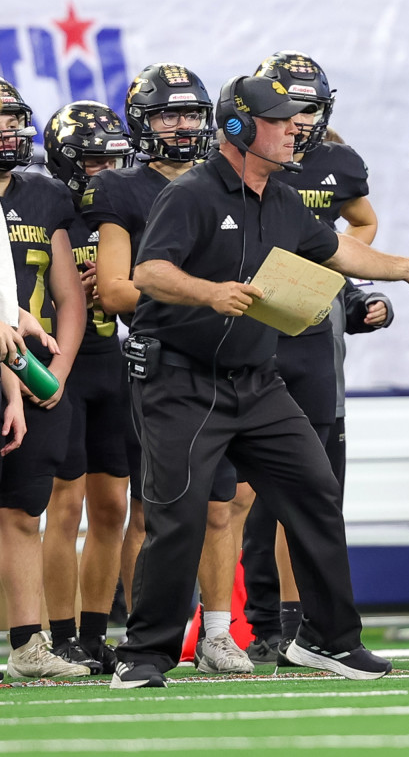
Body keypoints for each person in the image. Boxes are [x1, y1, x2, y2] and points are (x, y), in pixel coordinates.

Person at [109, 75, 409, 689]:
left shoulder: (284, 198)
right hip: (183, 383)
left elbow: (337, 253)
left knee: (317, 493)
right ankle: (146, 653)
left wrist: (405, 268)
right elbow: (150, 272)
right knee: (181, 514)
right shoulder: (191, 194)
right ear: (240, 130)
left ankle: (329, 641)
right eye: (280, 120)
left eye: (296, 119)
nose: (296, 129)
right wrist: (209, 293)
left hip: (257, 382)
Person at [86, 62, 255, 676]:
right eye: (166, 113)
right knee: (156, 507)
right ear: (141, 121)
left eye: (188, 112)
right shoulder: (121, 189)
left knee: (222, 504)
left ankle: (216, 631)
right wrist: (205, 290)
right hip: (164, 363)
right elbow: (115, 290)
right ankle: (146, 635)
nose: (180, 125)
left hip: (231, 360)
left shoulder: (231, 182)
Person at [240, 51, 378, 665]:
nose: (299, 121)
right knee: (248, 495)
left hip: (312, 328)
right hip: (250, 330)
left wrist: (332, 271)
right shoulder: (246, 164)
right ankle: (258, 619)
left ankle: (302, 624)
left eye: (310, 108)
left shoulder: (338, 163)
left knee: (313, 484)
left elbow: (362, 224)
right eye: (288, 108)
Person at [39, 101, 135, 676]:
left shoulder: (124, 205)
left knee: (112, 506)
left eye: (110, 157)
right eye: (91, 157)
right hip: (57, 360)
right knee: (63, 504)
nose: (102, 168)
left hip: (110, 361)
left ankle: (97, 633)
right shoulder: (45, 203)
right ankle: (59, 633)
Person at [0, 78, 90, 682]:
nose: (8, 129)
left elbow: (70, 297)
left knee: (20, 510)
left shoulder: (42, 196)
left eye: (11, 118)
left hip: (26, 373)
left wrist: (51, 376)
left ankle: (29, 643)